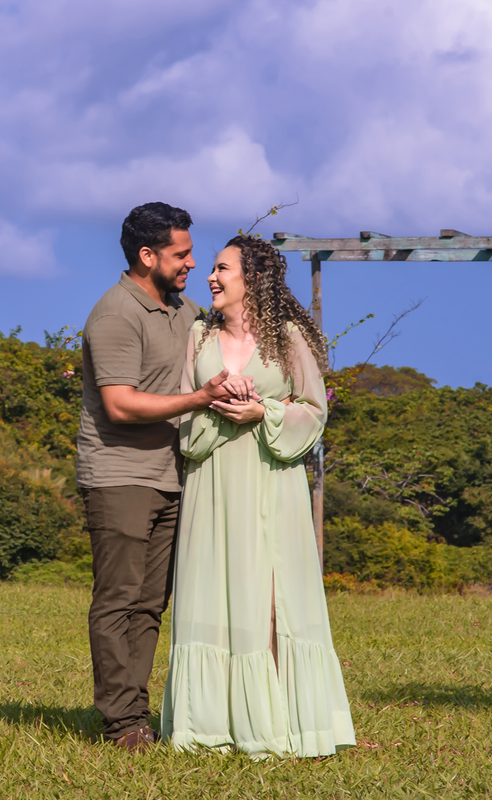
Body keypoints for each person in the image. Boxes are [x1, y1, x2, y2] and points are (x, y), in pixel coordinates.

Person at [161, 235, 356, 757]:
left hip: (273, 482)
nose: (210, 277)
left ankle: (281, 723)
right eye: (213, 269)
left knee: (271, 600)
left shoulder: (287, 338)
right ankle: (210, 725)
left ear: (253, 279)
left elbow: (314, 412)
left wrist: (263, 412)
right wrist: (213, 402)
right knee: (213, 596)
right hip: (213, 483)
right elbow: (183, 414)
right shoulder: (199, 338)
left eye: (222, 269)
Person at [77, 202, 240, 751]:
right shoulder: (115, 316)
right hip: (121, 475)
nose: (193, 263)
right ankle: (122, 721)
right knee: (118, 599)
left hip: (171, 475)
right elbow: (119, 405)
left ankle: (137, 714)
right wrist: (198, 399)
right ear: (147, 256)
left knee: (151, 602)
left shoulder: (183, 309)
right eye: (182, 253)